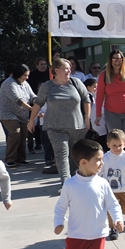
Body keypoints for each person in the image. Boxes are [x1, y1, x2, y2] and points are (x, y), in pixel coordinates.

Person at [54, 139, 123, 249]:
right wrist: (59, 222)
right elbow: (60, 207)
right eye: (98, 160)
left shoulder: (102, 183)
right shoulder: (70, 185)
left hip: (98, 235)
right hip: (76, 235)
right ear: (84, 162)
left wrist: (118, 219)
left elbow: (113, 204)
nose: (102, 163)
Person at [28, 58, 90, 187]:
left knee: (74, 156)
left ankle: (75, 182)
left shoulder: (76, 83)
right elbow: (38, 103)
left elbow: (86, 99)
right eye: (65, 68)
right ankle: (66, 185)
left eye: (69, 68)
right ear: (56, 70)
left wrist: (87, 118)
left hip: (76, 126)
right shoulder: (47, 86)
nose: (69, 71)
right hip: (55, 127)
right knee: (61, 155)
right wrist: (32, 120)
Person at [95, 50, 125, 157]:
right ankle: (116, 161)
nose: (117, 61)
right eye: (115, 59)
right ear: (110, 60)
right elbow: (100, 96)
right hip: (112, 113)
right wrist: (98, 115)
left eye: (119, 58)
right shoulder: (104, 75)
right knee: (115, 140)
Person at [99, 128, 125, 241]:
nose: (117, 148)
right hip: (109, 191)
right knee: (111, 210)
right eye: (114, 145)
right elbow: (99, 171)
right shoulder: (105, 158)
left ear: (124, 144)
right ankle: (113, 228)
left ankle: (119, 212)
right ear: (108, 144)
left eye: (120, 145)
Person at [0, 64, 36, 167]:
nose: (26, 77)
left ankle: (20, 158)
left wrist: (38, 102)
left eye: (27, 75)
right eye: (25, 75)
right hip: (8, 113)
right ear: (18, 74)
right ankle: (9, 159)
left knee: (23, 134)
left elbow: (32, 96)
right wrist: (31, 108)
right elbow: (18, 100)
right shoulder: (9, 83)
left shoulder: (25, 83)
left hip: (22, 114)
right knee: (16, 132)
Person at [27, 57, 50, 153]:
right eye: (41, 64)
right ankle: (33, 143)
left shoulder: (50, 73)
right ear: (37, 65)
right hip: (35, 101)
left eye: (45, 64)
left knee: (44, 124)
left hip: (48, 101)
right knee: (34, 123)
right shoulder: (32, 75)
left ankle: (44, 142)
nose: (43, 66)